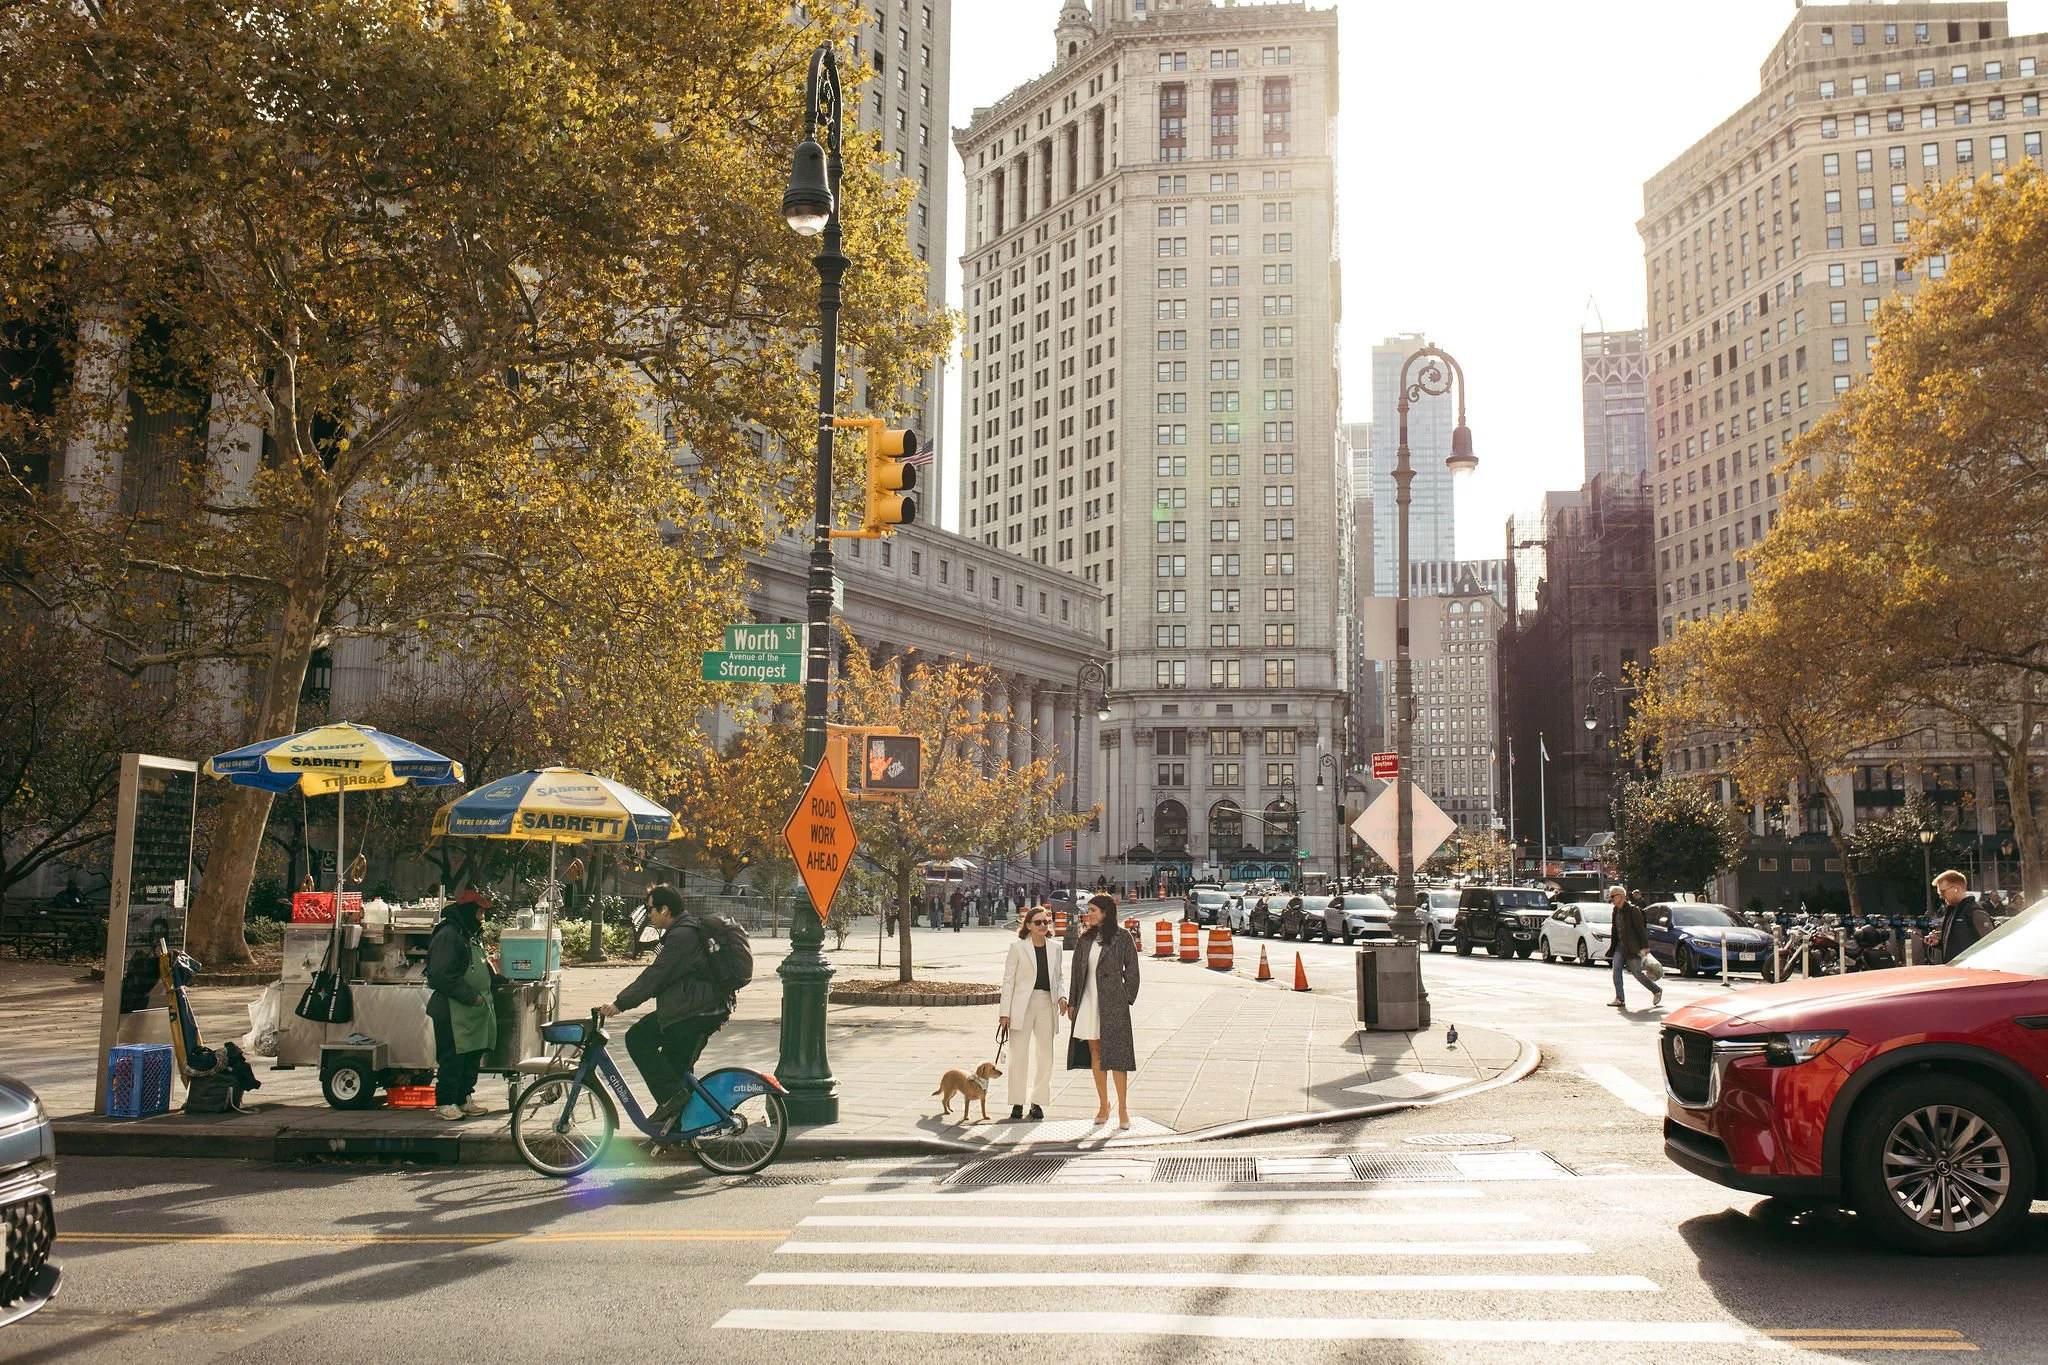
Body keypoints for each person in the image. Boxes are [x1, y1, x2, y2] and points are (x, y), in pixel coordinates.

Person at [597, 884, 731, 1128]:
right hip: (692, 1009)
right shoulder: (683, 930)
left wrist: (620, 1003)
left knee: (637, 1038)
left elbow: (656, 975)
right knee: (674, 1071)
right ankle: (676, 1129)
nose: (649, 915)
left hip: (695, 1013)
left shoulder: (683, 935)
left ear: (665, 909)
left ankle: (674, 1101)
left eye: (651, 909)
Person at [1066, 892, 1141, 1129]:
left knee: (1117, 1056)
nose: (1088, 915)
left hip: (1113, 1002)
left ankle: (1123, 1108)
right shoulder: (1084, 939)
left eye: (1093, 911)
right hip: (1088, 1001)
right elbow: (1076, 973)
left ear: (1105, 913)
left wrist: (1126, 996)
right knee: (1096, 1053)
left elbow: (1133, 969)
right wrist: (1072, 1002)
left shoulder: (1122, 937)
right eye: (1088, 911)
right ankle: (1103, 1104)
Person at [426, 890, 500, 1120]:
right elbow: (440, 976)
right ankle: (446, 1102)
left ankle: (463, 1098)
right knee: (452, 1058)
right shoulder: (449, 935)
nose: (482, 918)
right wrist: (472, 996)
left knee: (470, 1056)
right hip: (451, 1010)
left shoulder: (468, 934)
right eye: (480, 912)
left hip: (470, 1012)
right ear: (469, 912)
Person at [999, 905, 1066, 1122]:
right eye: (1038, 922)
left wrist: (1061, 997)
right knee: (1019, 1054)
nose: (1043, 926)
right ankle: (1017, 1102)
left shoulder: (1055, 948)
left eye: (1046, 921)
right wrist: (1004, 1013)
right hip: (1022, 1005)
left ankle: (1037, 1101)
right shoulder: (1017, 948)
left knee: (1045, 1055)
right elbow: (1008, 981)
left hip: (1047, 1003)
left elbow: (1059, 978)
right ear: (1028, 925)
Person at [1606, 884, 1660, 1010]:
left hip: (1632, 947)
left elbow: (1641, 930)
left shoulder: (1633, 910)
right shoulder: (1615, 911)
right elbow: (1615, 930)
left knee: (1637, 973)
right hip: (1620, 946)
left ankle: (1656, 990)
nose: (1611, 898)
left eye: (1613, 896)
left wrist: (1645, 947)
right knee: (1616, 970)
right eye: (1610, 896)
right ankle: (1620, 998)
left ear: (1621, 896)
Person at [1927, 870, 1995, 963]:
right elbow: (1956, 945)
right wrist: (1938, 943)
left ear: (1956, 889)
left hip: (1971, 971)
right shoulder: (1953, 911)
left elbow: (1991, 944)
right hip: (1958, 970)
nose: (1941, 896)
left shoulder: (1974, 912)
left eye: (1942, 892)